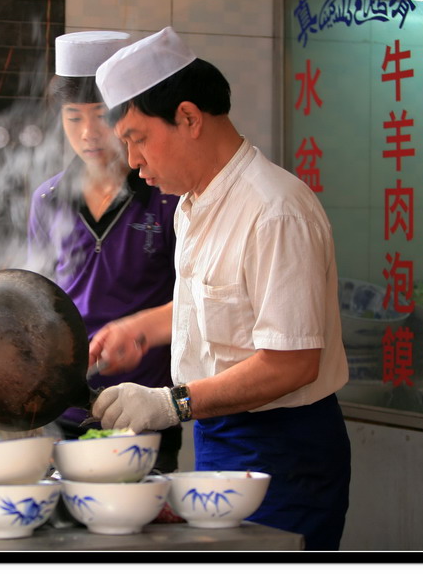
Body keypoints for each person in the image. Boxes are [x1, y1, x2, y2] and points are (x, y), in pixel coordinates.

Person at [88, 27, 351, 550]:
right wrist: (140, 328)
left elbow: (291, 362)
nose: (133, 163)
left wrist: (170, 404)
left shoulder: (275, 211)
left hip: (284, 451)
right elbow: (210, 303)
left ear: (188, 118)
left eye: (138, 139)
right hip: (217, 438)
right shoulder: (193, 205)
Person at [27, 31, 182, 472]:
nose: (89, 133)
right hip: (64, 408)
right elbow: (38, 298)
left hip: (146, 410)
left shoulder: (165, 195)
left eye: (102, 116)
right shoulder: (47, 198)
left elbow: (194, 301)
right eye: (73, 118)